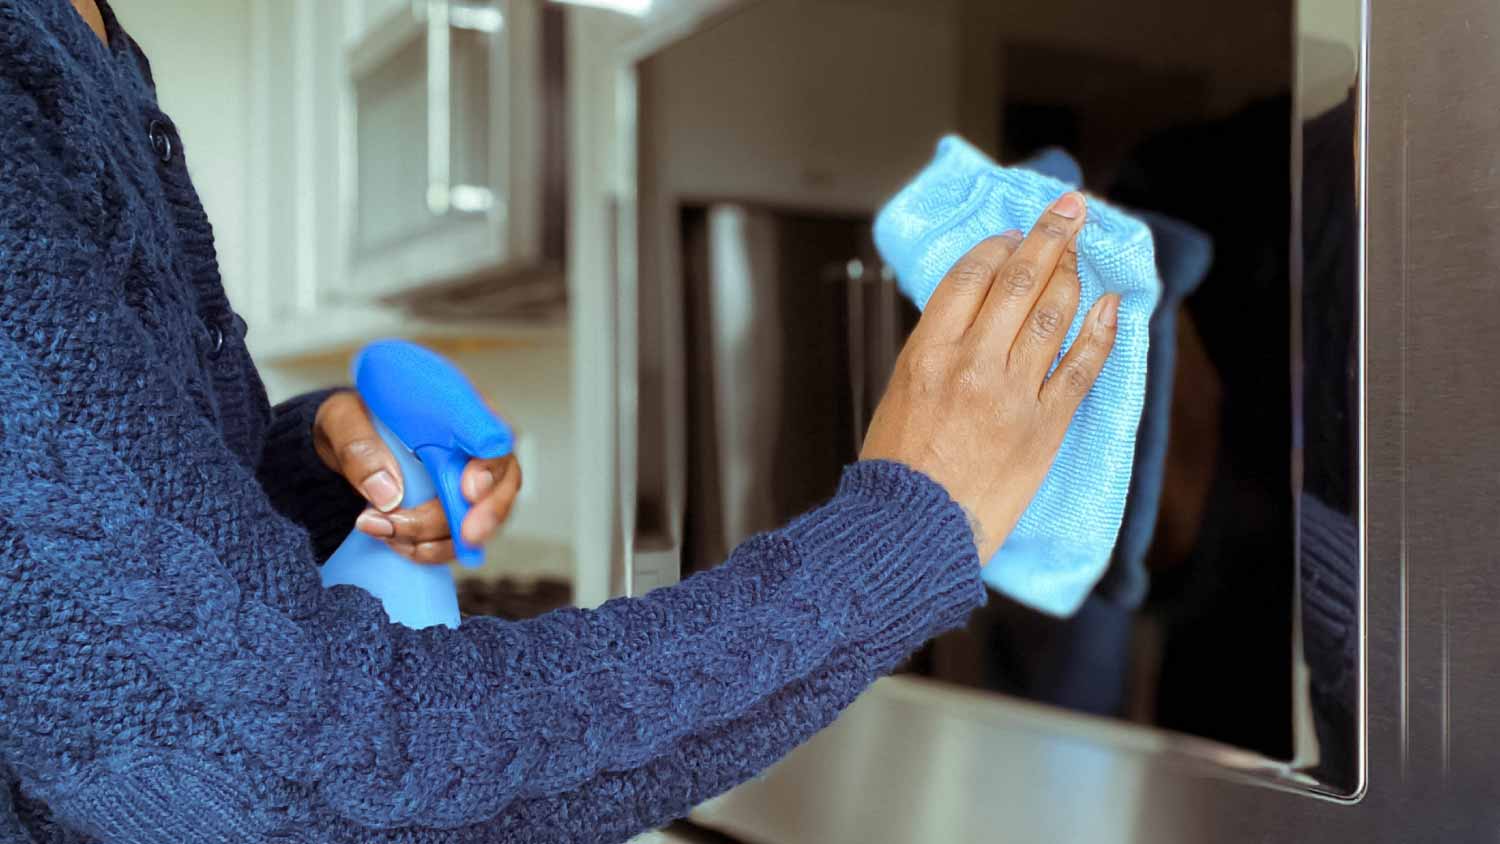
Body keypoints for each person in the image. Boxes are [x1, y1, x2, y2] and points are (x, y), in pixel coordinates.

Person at [0, 1, 1119, 841]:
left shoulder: (99, 46)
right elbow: (285, 767)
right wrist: (888, 545)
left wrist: (307, 460)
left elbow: (102, 570)